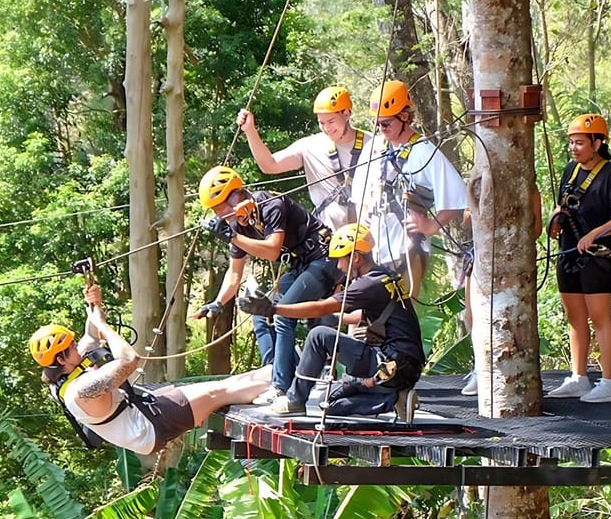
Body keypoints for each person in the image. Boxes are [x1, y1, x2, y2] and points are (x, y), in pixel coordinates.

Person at [30, 284, 272, 455]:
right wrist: (103, 325)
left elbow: (90, 337)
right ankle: (281, 381)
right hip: (147, 428)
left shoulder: (63, 374)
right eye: (70, 347)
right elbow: (129, 359)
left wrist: (93, 303)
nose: (76, 347)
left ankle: (277, 373)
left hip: (143, 409)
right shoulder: (80, 390)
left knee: (225, 385)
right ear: (61, 360)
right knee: (219, 393)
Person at [237, 223, 425, 422]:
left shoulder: (367, 284)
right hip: (402, 366)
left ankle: (295, 400)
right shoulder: (384, 276)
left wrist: (273, 309)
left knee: (318, 336)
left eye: (340, 260)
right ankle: (395, 397)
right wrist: (335, 319)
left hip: (390, 364)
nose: (338, 266)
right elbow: (371, 317)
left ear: (356, 257)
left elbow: (323, 307)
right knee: (331, 404)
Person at [191, 165, 341, 404]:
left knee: (281, 315)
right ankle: (277, 370)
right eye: (216, 211)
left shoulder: (271, 204)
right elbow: (234, 274)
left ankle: (281, 388)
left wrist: (233, 237)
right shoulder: (239, 227)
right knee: (261, 313)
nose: (220, 215)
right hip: (300, 263)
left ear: (236, 196)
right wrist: (217, 304)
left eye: (221, 208)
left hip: (325, 258)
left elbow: (271, 251)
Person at [355, 79, 468, 300]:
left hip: (408, 249)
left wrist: (431, 227)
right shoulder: (374, 149)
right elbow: (360, 196)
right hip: (374, 247)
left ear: (405, 117)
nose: (381, 129)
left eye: (386, 123)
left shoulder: (425, 152)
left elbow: (456, 198)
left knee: (402, 317)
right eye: (378, 124)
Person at [545, 113, 611, 404]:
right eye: (571, 143)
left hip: (598, 254)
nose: (574, 148)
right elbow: (562, 203)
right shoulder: (571, 170)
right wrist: (555, 219)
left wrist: (594, 234)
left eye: (580, 143)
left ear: (597, 143)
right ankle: (579, 376)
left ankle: (609, 381)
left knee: (599, 315)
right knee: (575, 316)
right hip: (569, 249)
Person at [236, 85, 374, 231]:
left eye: (331, 121)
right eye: (321, 123)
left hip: (370, 234)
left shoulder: (373, 144)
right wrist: (250, 131)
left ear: (346, 114)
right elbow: (269, 165)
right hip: (330, 239)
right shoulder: (310, 146)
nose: (327, 128)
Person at [461, 188, 543, 395]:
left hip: (511, 257)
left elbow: (537, 229)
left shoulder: (528, 189)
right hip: (479, 253)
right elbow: (466, 219)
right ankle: (480, 368)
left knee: (506, 319)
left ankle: (505, 370)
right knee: (471, 315)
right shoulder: (480, 185)